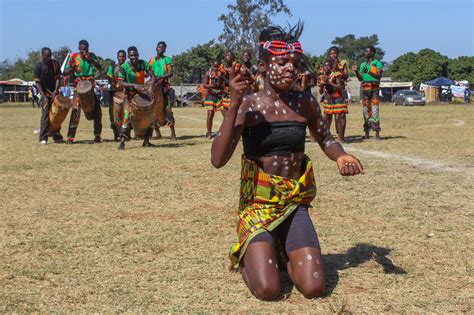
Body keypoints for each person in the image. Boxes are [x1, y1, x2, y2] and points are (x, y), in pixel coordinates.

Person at [211, 24, 364, 300]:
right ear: (263, 65)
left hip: (294, 203)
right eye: (282, 62)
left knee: (314, 287)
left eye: (294, 63)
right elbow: (218, 159)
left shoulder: (305, 103)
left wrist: (340, 155)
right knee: (268, 290)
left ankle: (280, 247)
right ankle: (250, 255)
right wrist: (233, 105)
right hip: (258, 205)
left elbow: (326, 139)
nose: (290, 69)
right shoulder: (249, 105)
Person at [64, 40, 103, 144]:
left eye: (85, 48)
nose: (84, 50)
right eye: (82, 49)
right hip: (78, 87)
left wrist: (91, 60)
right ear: (78, 48)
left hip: (89, 87)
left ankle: (97, 135)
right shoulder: (73, 57)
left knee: (97, 111)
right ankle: (70, 137)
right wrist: (72, 68)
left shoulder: (92, 56)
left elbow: (100, 68)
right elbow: (64, 72)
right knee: (75, 110)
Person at [117, 46, 156, 150]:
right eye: (131, 55)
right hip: (129, 94)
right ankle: (122, 142)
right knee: (126, 116)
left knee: (151, 116)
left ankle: (146, 141)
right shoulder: (124, 67)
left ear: (138, 55)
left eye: (135, 55)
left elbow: (153, 77)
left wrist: (151, 87)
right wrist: (133, 85)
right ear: (128, 56)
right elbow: (120, 83)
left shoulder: (143, 63)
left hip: (142, 94)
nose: (133, 57)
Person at [352, 46, 383, 140]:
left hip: (374, 89)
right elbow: (360, 78)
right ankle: (366, 132)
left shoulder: (377, 63)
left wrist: (368, 71)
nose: (365, 53)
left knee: (375, 111)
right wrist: (356, 71)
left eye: (367, 51)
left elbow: (379, 77)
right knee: (366, 111)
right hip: (365, 89)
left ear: (372, 53)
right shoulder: (362, 64)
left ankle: (377, 133)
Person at [33, 47, 62, 144]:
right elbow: (38, 83)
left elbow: (58, 78)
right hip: (45, 92)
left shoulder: (55, 63)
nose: (49, 58)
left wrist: (56, 90)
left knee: (57, 114)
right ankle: (43, 137)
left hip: (55, 92)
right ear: (42, 55)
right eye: (47, 56)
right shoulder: (38, 65)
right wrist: (43, 96)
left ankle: (56, 134)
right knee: (45, 114)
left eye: (50, 56)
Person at [149, 41, 177, 140]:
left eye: (162, 47)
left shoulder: (167, 59)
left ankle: (173, 133)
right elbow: (149, 71)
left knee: (167, 108)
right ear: (156, 48)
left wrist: (160, 77)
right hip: (154, 85)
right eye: (159, 47)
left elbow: (170, 73)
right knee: (151, 109)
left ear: (164, 49)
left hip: (164, 85)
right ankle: (157, 133)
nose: (160, 48)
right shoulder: (152, 60)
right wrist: (152, 77)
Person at [318, 59, 347, 142]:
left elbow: (339, 86)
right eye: (325, 66)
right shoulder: (321, 77)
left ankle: (341, 138)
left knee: (340, 116)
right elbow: (320, 92)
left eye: (328, 66)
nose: (326, 67)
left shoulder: (336, 74)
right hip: (328, 99)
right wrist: (322, 85)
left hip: (338, 98)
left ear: (331, 67)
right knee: (326, 118)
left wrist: (328, 82)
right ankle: (326, 136)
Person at [106, 49, 127, 140]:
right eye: (120, 56)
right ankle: (116, 134)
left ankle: (126, 134)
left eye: (123, 56)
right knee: (113, 114)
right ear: (117, 57)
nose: (121, 58)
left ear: (125, 57)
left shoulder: (127, 67)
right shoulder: (113, 67)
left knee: (126, 113)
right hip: (114, 92)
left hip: (126, 92)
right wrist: (115, 85)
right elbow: (109, 78)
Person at [202, 59, 225, 139]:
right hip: (210, 95)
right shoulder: (208, 73)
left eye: (217, 66)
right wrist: (212, 85)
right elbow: (204, 85)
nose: (215, 68)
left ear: (220, 66)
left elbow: (225, 84)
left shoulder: (222, 74)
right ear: (212, 65)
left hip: (220, 95)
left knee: (225, 114)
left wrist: (220, 85)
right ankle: (209, 133)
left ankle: (226, 131)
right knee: (210, 115)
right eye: (214, 66)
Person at [219, 50, 241, 115]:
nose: (228, 57)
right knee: (225, 110)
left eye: (230, 56)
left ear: (233, 58)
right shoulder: (222, 68)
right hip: (226, 91)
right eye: (227, 55)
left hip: (235, 91)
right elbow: (220, 82)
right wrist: (223, 87)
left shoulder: (237, 67)